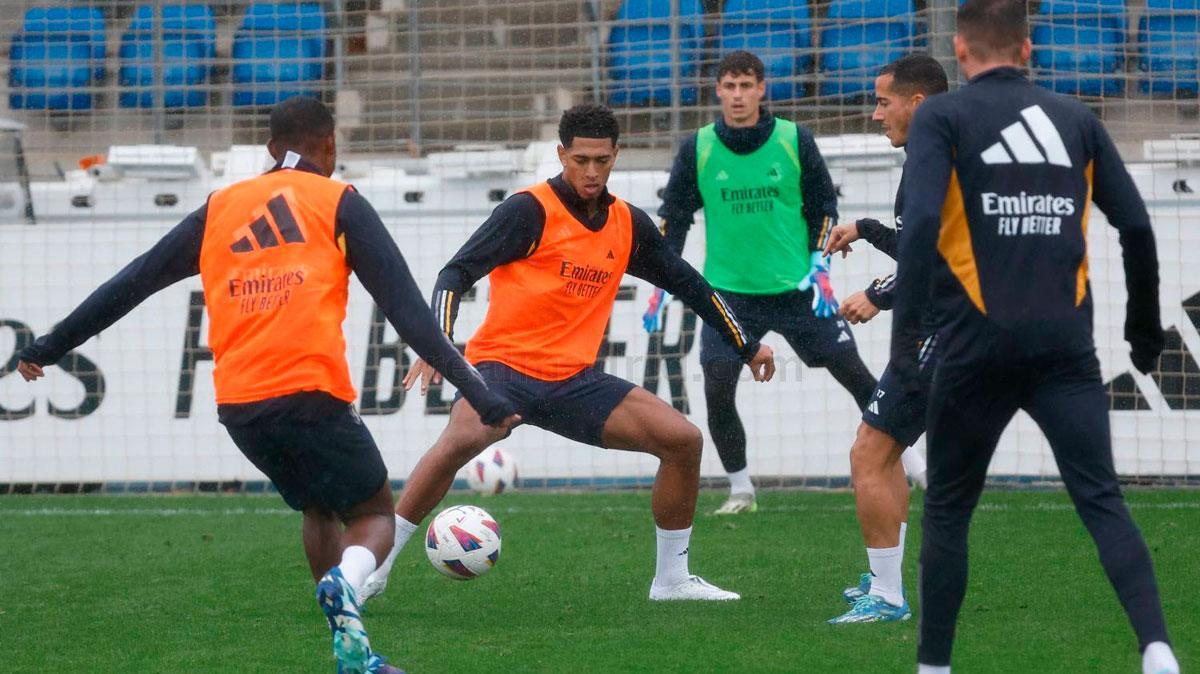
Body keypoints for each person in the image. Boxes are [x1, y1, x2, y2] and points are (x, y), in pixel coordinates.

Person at [15, 96, 518, 674]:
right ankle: (346, 588)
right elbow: (410, 316)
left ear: (270, 149)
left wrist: (47, 347)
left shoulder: (220, 207)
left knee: (317, 506)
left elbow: (131, 283)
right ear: (330, 147)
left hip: (240, 406)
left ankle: (350, 649)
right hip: (310, 392)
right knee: (375, 514)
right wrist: (482, 396)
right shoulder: (339, 202)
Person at [359, 103, 776, 604]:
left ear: (616, 155)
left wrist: (746, 346)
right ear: (561, 155)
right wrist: (436, 342)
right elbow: (455, 274)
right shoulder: (527, 211)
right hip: (502, 371)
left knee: (682, 441)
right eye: (581, 159)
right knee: (461, 439)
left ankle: (671, 581)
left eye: (602, 159)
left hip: (573, 382)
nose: (592, 171)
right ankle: (376, 570)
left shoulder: (627, 225)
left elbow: (690, 285)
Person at [889, 2, 1178, 672]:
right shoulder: (1076, 118)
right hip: (1063, 350)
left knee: (950, 512)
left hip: (973, 350)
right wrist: (1143, 333)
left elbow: (923, 220)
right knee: (1102, 501)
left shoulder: (943, 114)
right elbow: (1136, 227)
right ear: (1027, 49)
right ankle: (1157, 649)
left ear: (960, 51)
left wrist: (905, 349)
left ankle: (934, 667)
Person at [650, 50, 906, 516]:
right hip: (728, 295)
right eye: (730, 86)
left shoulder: (793, 139)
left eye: (747, 85)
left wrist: (818, 263)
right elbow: (675, 216)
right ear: (718, 91)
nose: (738, 95)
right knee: (717, 381)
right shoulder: (699, 147)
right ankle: (741, 488)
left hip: (798, 291)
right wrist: (660, 276)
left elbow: (823, 204)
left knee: (855, 376)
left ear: (762, 89)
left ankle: (912, 463)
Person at [821, 54, 948, 625]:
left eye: (883, 101)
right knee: (884, 450)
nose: (875, 114)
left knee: (868, 453)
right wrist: (869, 230)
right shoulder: (938, 152)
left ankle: (890, 598)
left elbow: (938, 256)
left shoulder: (934, 159)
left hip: (941, 330)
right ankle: (886, 582)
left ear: (917, 103)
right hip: (950, 326)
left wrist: (879, 293)